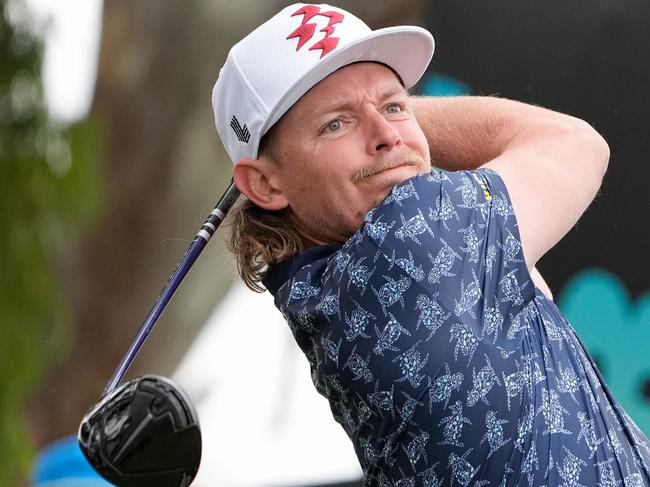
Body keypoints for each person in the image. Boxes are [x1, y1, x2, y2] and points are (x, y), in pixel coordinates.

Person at [211, 3, 650, 486]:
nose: (385, 135)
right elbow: (575, 143)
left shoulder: (323, 287)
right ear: (265, 186)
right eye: (335, 124)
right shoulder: (409, 239)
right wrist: (395, 111)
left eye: (395, 106)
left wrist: (354, 112)